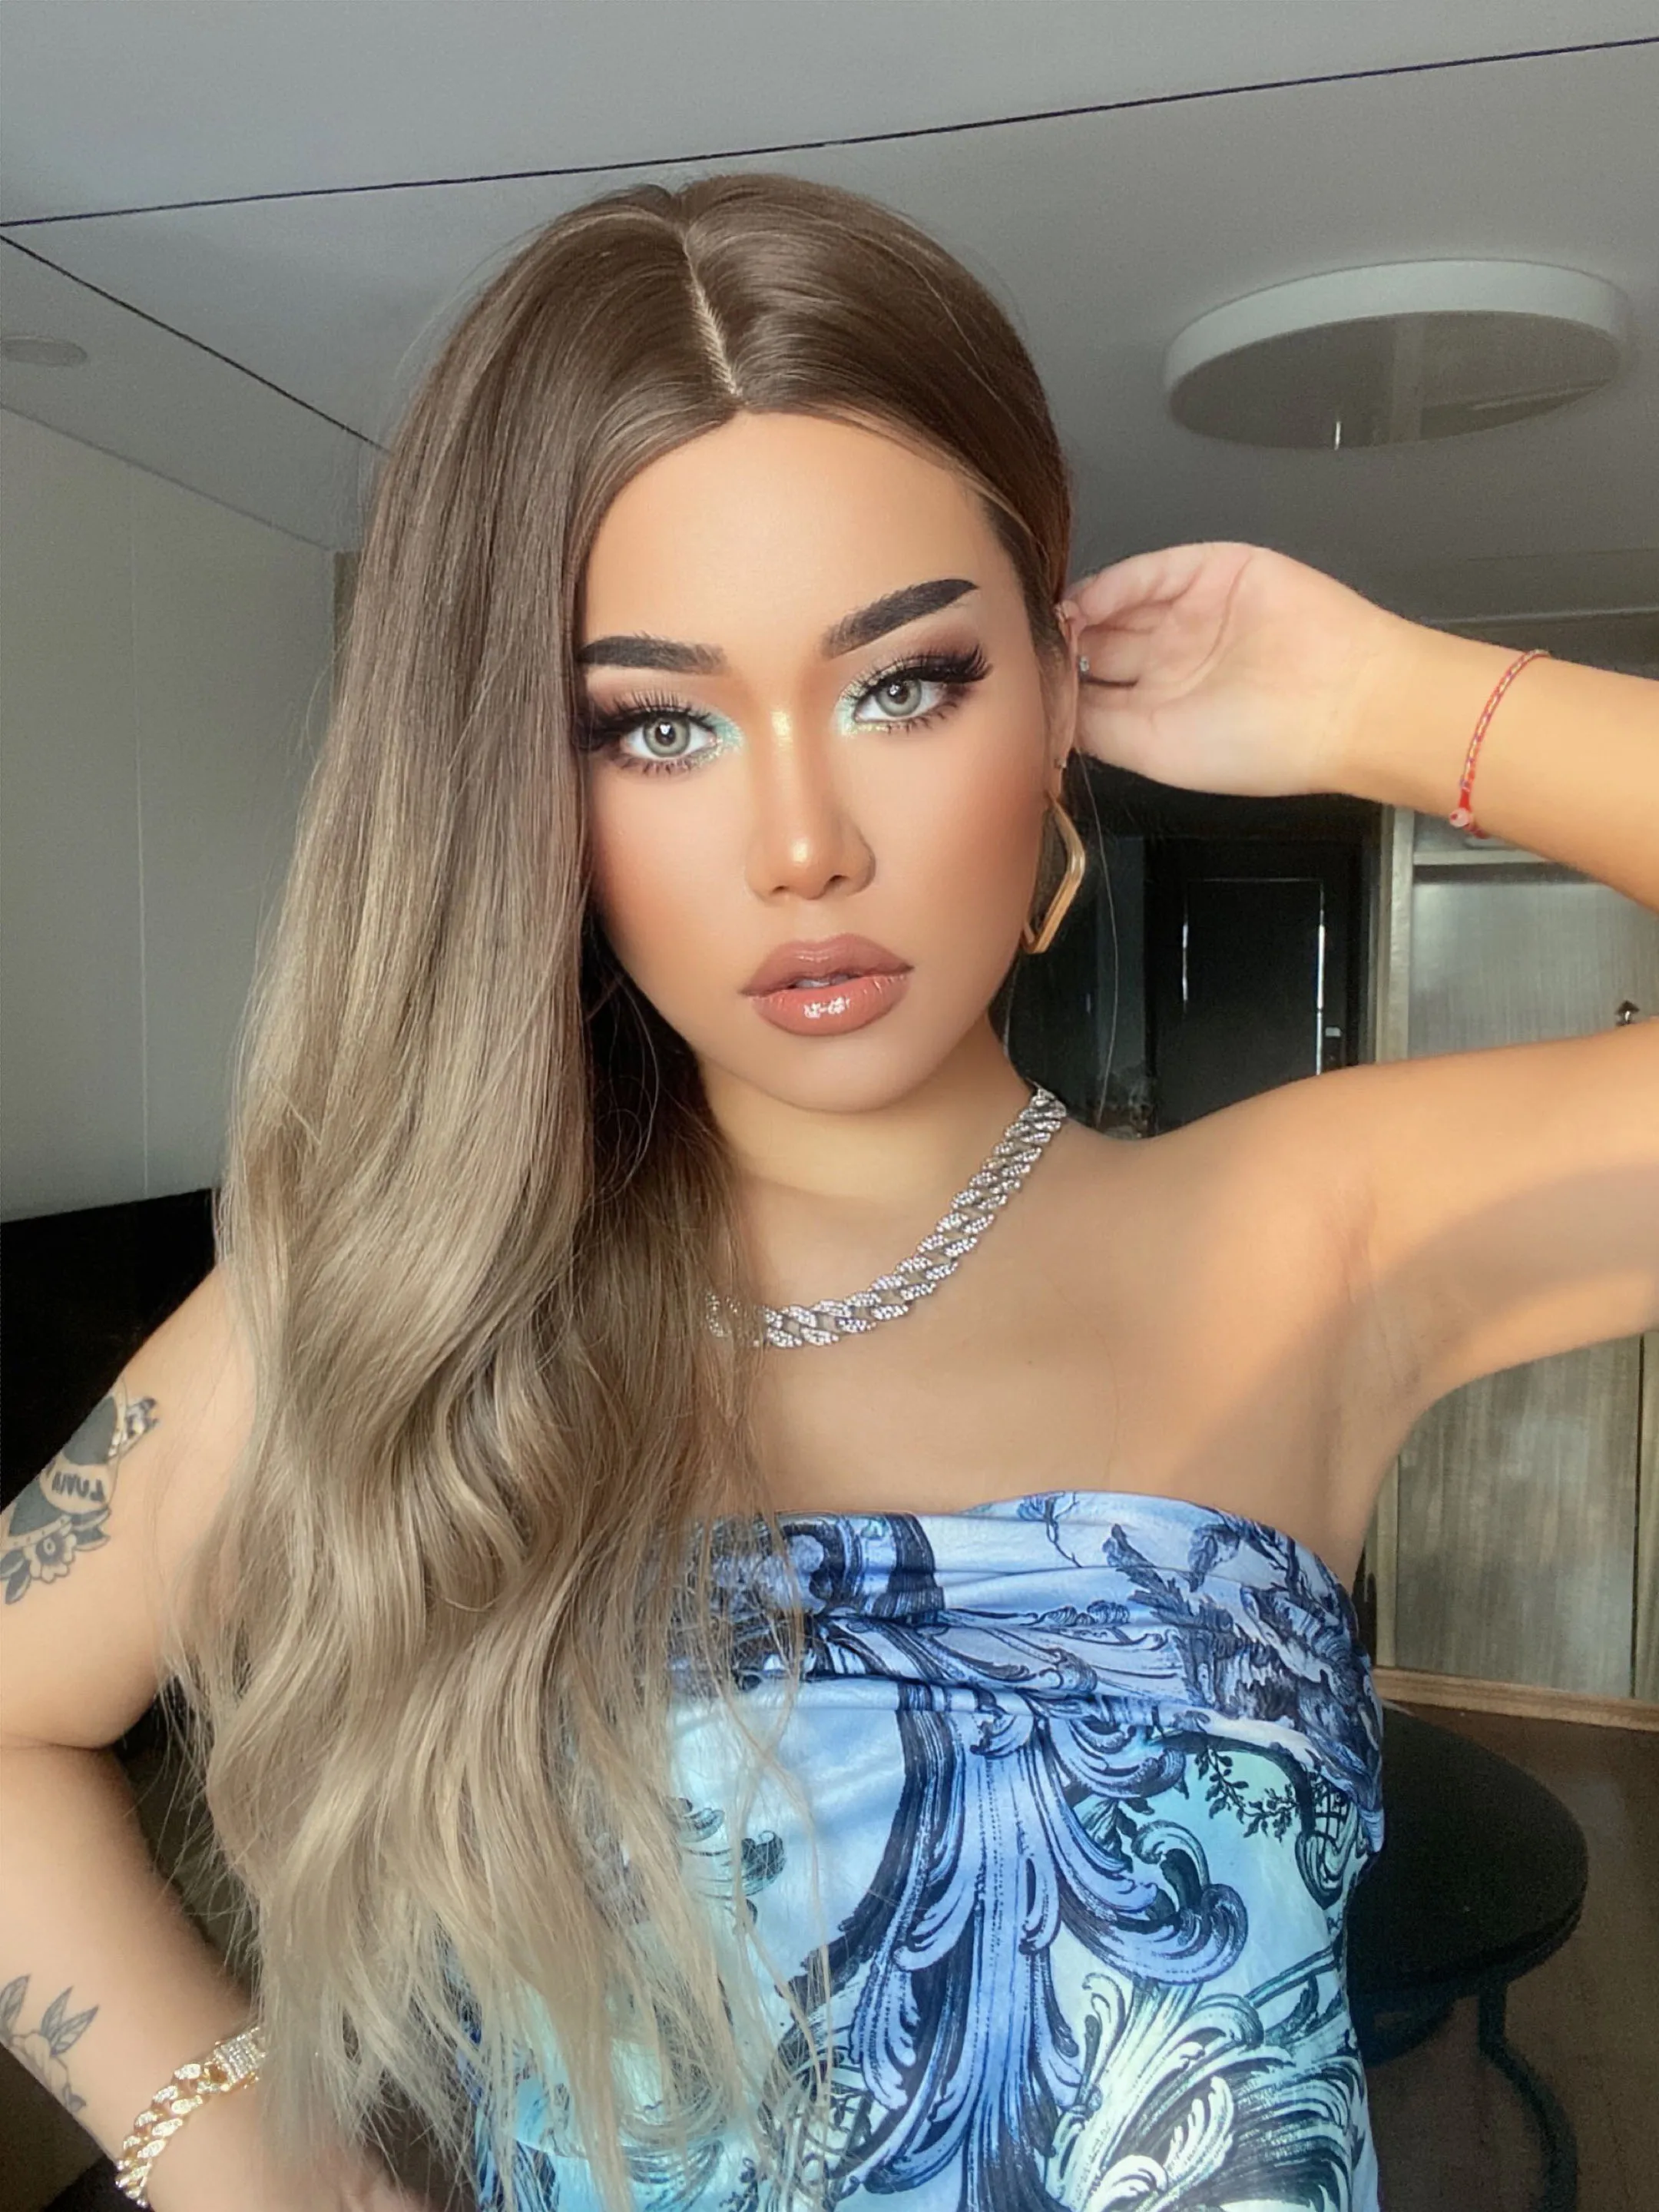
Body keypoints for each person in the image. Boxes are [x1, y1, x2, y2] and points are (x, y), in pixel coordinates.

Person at [0, 172, 1654, 2212]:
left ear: (1051, 689)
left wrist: (1383, 706)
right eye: (657, 725)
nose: (803, 844)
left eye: (904, 684)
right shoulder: (410, 1306)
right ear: (527, 784)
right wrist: (244, 2168)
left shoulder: (1310, 1240)